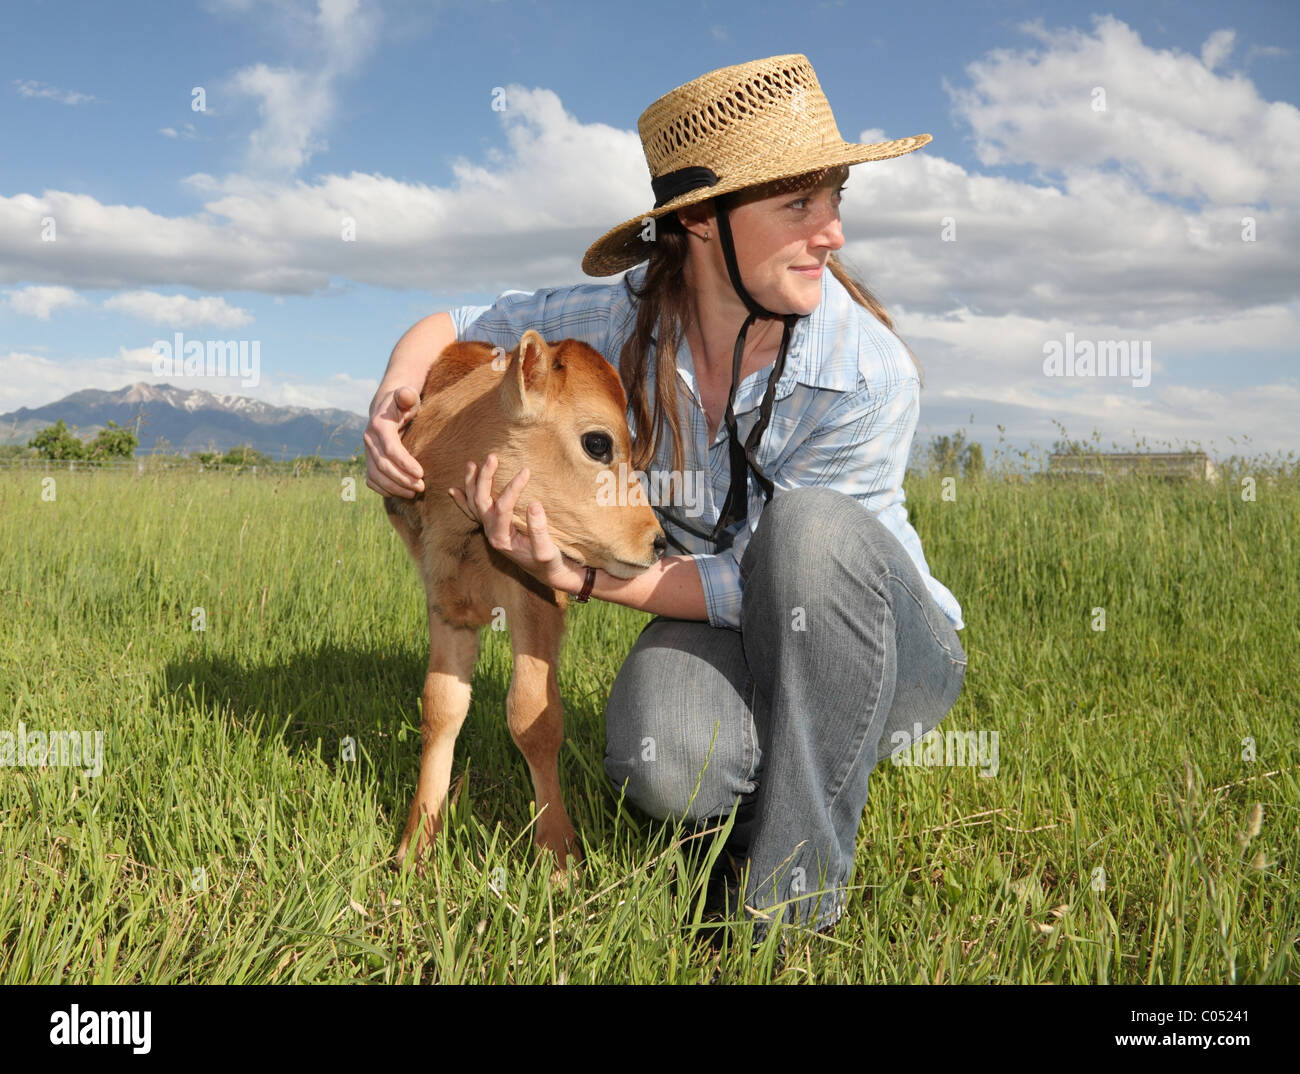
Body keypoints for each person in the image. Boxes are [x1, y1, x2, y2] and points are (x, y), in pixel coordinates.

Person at [366, 53, 966, 939]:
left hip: (882, 645)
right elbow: (452, 326)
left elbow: (770, 574)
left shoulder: (865, 375)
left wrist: (576, 574)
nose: (832, 232)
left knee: (801, 533)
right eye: (799, 204)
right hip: (729, 627)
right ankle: (769, 781)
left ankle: (787, 909)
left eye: (834, 200)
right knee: (661, 754)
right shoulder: (616, 324)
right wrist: (393, 401)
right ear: (697, 225)